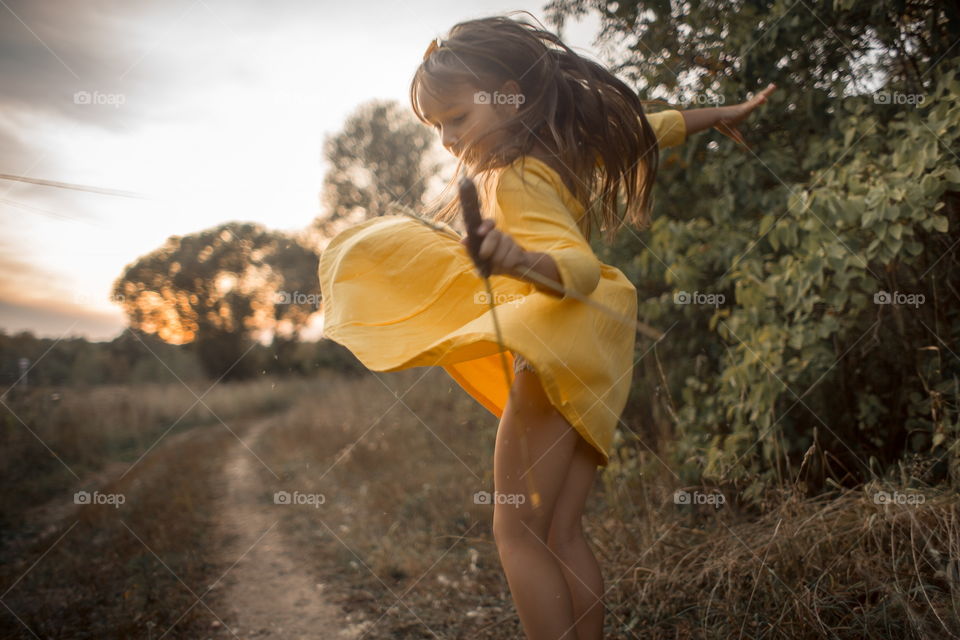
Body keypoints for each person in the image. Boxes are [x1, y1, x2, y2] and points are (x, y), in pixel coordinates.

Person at [318, 12, 775, 640]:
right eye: (439, 127)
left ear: (515, 93)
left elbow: (578, 270)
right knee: (561, 532)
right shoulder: (564, 149)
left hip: (555, 357)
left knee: (516, 533)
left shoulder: (513, 177)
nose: (450, 141)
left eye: (458, 119)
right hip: (596, 357)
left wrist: (519, 259)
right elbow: (648, 128)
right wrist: (721, 113)